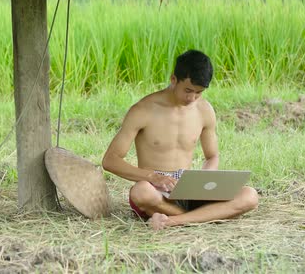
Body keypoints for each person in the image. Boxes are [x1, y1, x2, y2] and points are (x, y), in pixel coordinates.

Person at [102, 50, 258, 230]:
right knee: (141, 192)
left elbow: (212, 156)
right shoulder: (142, 110)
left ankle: (174, 220)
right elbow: (110, 160)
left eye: (198, 93)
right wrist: (153, 177)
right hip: (156, 192)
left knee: (250, 195)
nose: (192, 98)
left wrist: (204, 178)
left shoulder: (204, 110)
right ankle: (207, 216)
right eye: (188, 90)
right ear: (173, 79)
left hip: (189, 188)